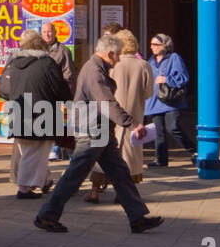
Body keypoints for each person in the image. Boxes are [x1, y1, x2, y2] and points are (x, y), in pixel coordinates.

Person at [34, 34, 162, 234]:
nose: (118, 59)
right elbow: (107, 102)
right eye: (117, 55)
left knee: (120, 173)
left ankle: (137, 217)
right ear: (109, 53)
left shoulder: (97, 68)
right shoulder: (95, 71)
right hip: (92, 130)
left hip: (100, 129)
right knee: (74, 175)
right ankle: (47, 215)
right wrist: (132, 124)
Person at [86, 29, 152, 203]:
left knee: (104, 152)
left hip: (111, 113)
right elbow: (148, 92)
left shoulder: (112, 64)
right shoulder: (143, 65)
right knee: (130, 153)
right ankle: (123, 194)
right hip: (134, 114)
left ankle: (94, 190)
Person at [3, 30, 68, 199]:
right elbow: (59, 87)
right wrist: (68, 100)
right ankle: (24, 188)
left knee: (31, 152)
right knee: (35, 153)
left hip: (19, 113)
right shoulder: (46, 63)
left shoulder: (15, 63)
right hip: (41, 114)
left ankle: (44, 181)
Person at [144, 33, 195, 167]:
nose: (152, 47)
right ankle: (161, 159)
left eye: (155, 44)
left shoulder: (174, 58)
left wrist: (167, 79)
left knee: (173, 128)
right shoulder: (151, 61)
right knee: (158, 131)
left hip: (171, 101)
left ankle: (193, 150)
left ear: (164, 45)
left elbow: (184, 77)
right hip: (155, 101)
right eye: (151, 44)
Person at [40, 20, 75, 88]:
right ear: (41, 34)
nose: (47, 35)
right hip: (40, 91)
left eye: (49, 32)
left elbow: (68, 75)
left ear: (55, 33)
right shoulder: (37, 50)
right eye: (44, 32)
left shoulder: (63, 51)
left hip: (55, 91)